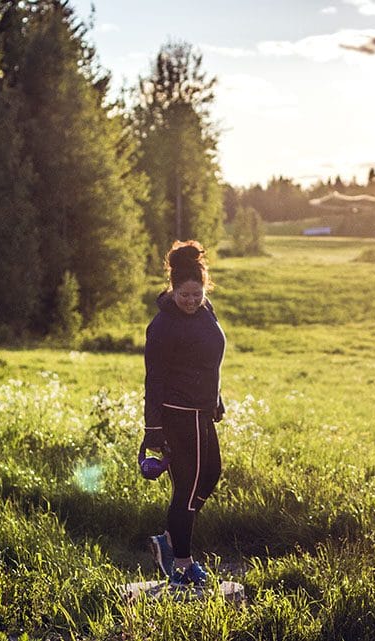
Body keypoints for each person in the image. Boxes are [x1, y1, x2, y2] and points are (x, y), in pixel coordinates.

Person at [141, 240, 226, 588]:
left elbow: (209, 361)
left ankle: (168, 538)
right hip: (176, 416)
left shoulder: (207, 311)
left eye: (197, 294)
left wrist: (215, 398)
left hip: (202, 412)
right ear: (172, 289)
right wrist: (153, 429)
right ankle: (182, 564)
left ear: (204, 288)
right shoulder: (162, 326)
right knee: (188, 489)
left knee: (211, 474)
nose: (191, 301)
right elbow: (154, 379)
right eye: (184, 295)